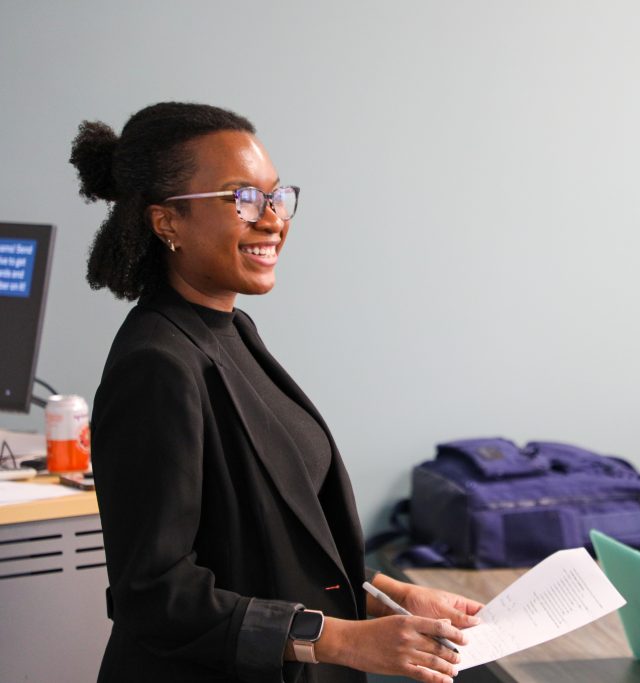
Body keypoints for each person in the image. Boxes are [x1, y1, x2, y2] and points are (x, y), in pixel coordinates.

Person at [70, 102, 483, 683]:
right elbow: (155, 593)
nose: (272, 220)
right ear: (167, 223)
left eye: (276, 196)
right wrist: (341, 639)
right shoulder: (156, 365)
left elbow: (264, 548)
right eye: (241, 199)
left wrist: (388, 598)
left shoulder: (230, 329)